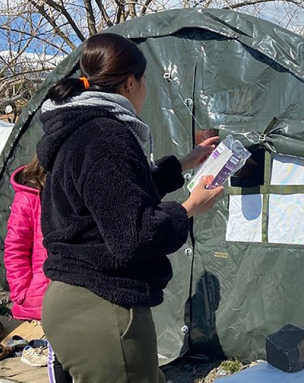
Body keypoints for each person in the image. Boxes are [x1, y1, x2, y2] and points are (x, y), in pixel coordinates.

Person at [37, 32, 223, 383]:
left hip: (73, 298)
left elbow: (112, 197)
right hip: (103, 306)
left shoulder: (78, 128)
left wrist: (184, 163)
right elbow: (134, 235)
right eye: (145, 80)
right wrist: (188, 208)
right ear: (131, 81)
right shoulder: (106, 135)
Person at [4, 157, 72, 382]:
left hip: (82, 284)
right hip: (49, 292)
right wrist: (22, 291)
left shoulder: (77, 185)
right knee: (60, 354)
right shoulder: (29, 196)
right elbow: (15, 247)